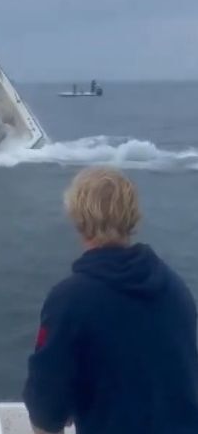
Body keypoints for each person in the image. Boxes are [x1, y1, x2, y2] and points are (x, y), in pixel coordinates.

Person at [23, 167, 198, 434]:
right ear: (133, 217)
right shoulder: (175, 288)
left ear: (77, 217)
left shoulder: (70, 299)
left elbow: (46, 408)